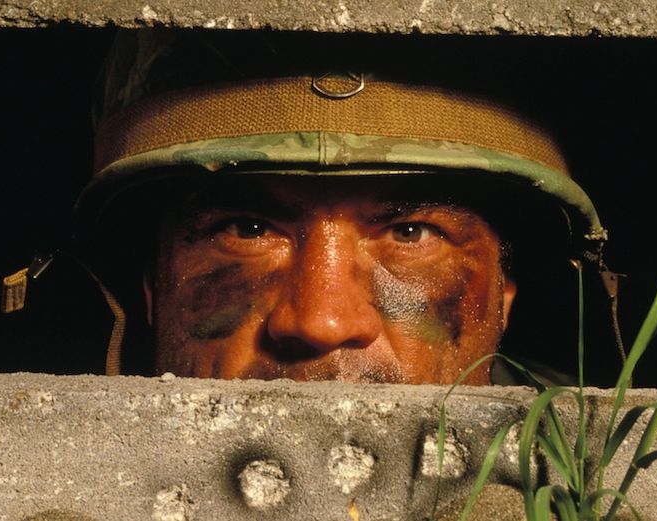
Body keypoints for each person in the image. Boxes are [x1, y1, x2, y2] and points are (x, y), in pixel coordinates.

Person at [68, 30, 607, 385]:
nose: (321, 322)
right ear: (152, 290)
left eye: (411, 232)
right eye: (248, 229)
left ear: (503, 292)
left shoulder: (598, 480)